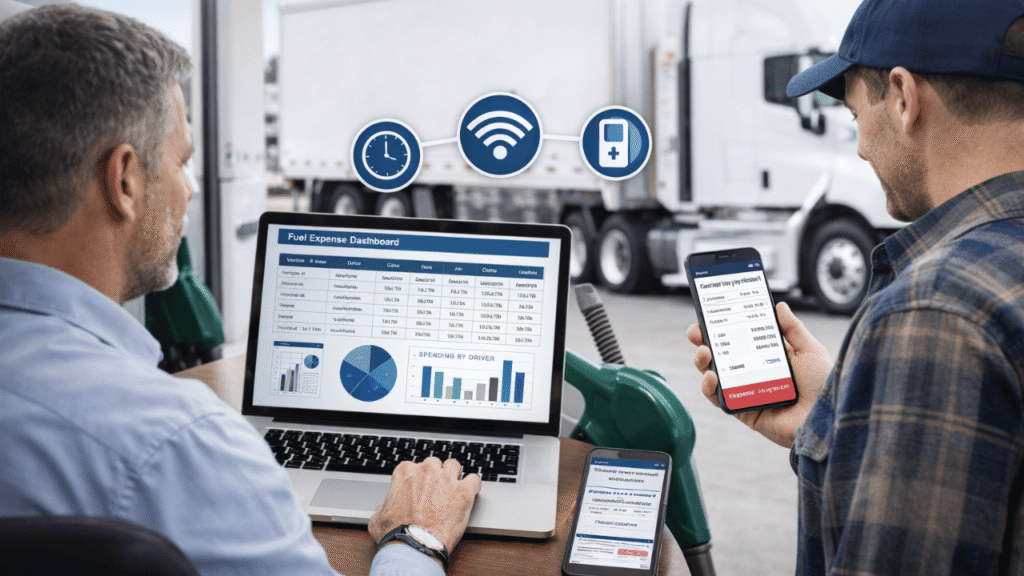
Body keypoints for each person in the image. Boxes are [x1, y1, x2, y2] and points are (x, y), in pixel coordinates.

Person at [0, 5, 480, 575]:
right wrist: (416, 537)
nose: (190, 190)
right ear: (124, 180)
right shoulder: (180, 446)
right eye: (182, 161)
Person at [688, 0, 1024, 573]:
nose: (862, 145)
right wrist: (832, 412)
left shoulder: (935, 311)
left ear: (902, 96)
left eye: (852, 113)